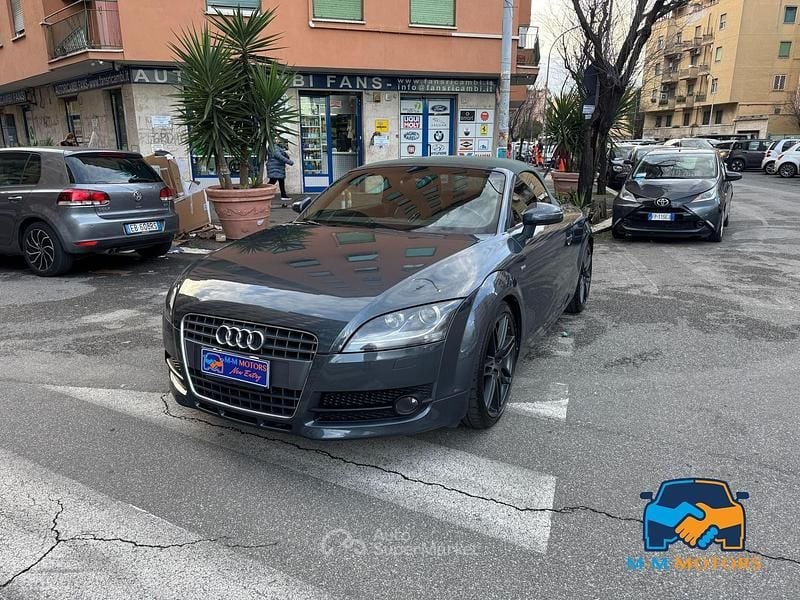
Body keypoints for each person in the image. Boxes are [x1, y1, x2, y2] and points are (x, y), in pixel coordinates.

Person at [267, 139, 294, 206]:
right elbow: (279, 156)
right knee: (272, 182)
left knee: (280, 182)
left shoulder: (277, 147)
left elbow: (285, 155)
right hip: (275, 168)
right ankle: (265, 194)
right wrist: (289, 162)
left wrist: (284, 152)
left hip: (278, 168)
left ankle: (283, 195)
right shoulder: (273, 147)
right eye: (276, 139)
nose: (278, 141)